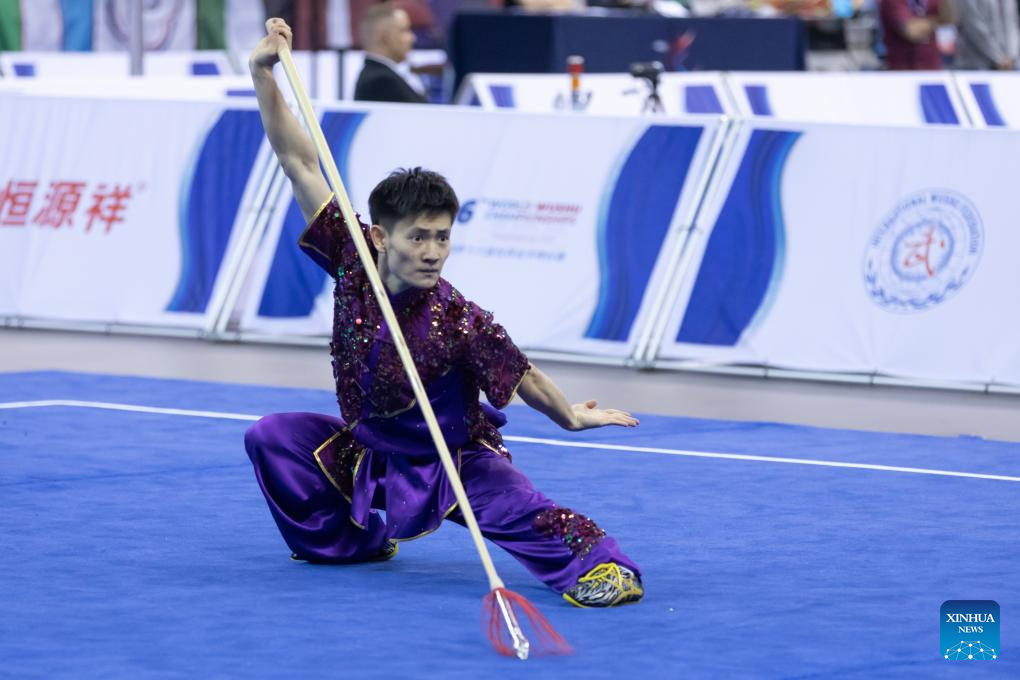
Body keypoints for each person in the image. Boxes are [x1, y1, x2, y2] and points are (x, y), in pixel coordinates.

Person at [245, 18, 644, 608]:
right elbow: (299, 161)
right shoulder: (353, 261)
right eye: (418, 238)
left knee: (526, 514)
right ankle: (350, 544)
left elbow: (524, 375)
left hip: (449, 460)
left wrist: (570, 417)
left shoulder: (459, 318)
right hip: (369, 452)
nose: (433, 252)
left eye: (443, 237)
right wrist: (262, 74)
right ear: (381, 237)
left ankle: (607, 566)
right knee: (275, 438)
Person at [353, 3, 428, 104]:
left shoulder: (380, 77)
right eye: (404, 30)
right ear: (385, 38)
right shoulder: (381, 81)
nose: (412, 38)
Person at [878, 0, 957, 70]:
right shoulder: (893, 1)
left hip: (931, 68)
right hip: (902, 69)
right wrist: (937, 21)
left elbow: (949, 19)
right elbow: (911, 31)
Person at [954, 0, 1019, 70]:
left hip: (1009, 63)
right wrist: (999, 58)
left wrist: (1012, 56)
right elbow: (975, 27)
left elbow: (1012, 24)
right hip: (976, 62)